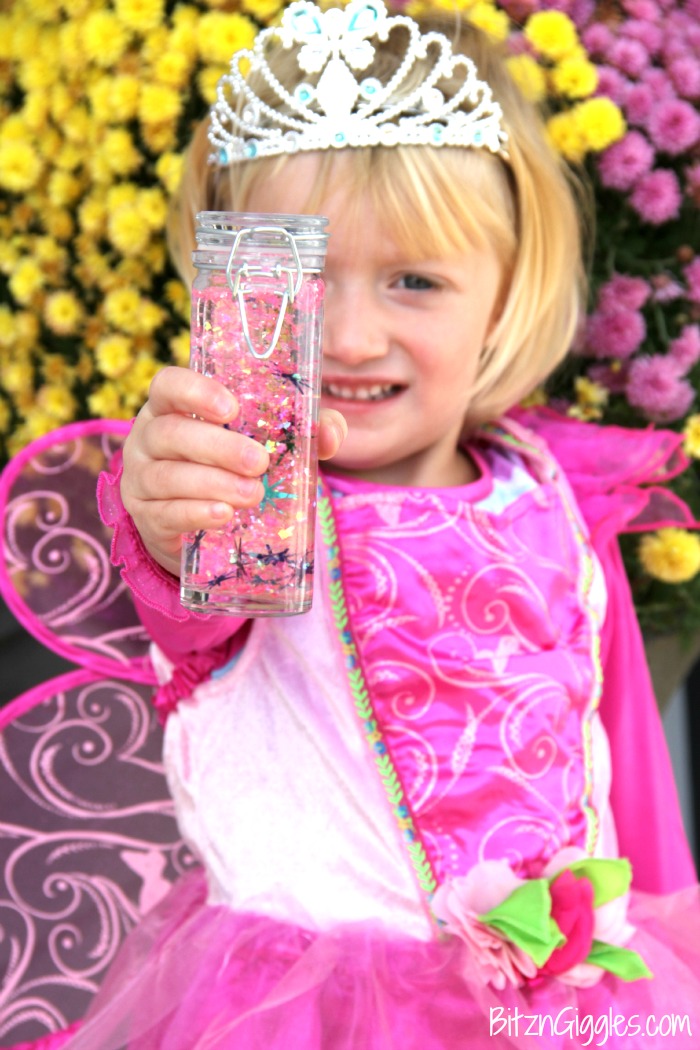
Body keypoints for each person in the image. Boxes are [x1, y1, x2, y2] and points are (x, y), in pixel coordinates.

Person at [37, 1, 700, 1045]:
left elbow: (619, 771)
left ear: (503, 296)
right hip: (302, 1017)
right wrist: (168, 515)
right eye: (299, 276)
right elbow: (184, 606)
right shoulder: (245, 493)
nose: (347, 335)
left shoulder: (549, 487)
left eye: (415, 281)